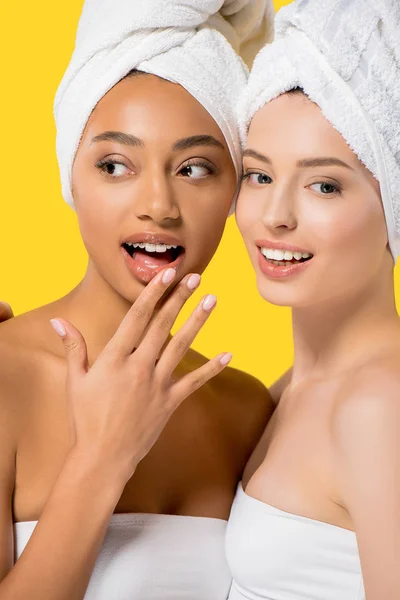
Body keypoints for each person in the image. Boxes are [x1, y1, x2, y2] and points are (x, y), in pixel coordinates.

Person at [0, 1, 276, 598]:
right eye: (116, 164)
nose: (159, 204)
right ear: (69, 175)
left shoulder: (248, 411)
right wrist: (102, 456)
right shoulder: (3, 379)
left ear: (237, 189)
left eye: (197, 168)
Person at [225, 0, 400, 598]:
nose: (275, 217)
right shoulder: (290, 389)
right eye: (259, 175)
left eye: (324, 184)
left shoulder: (382, 407)